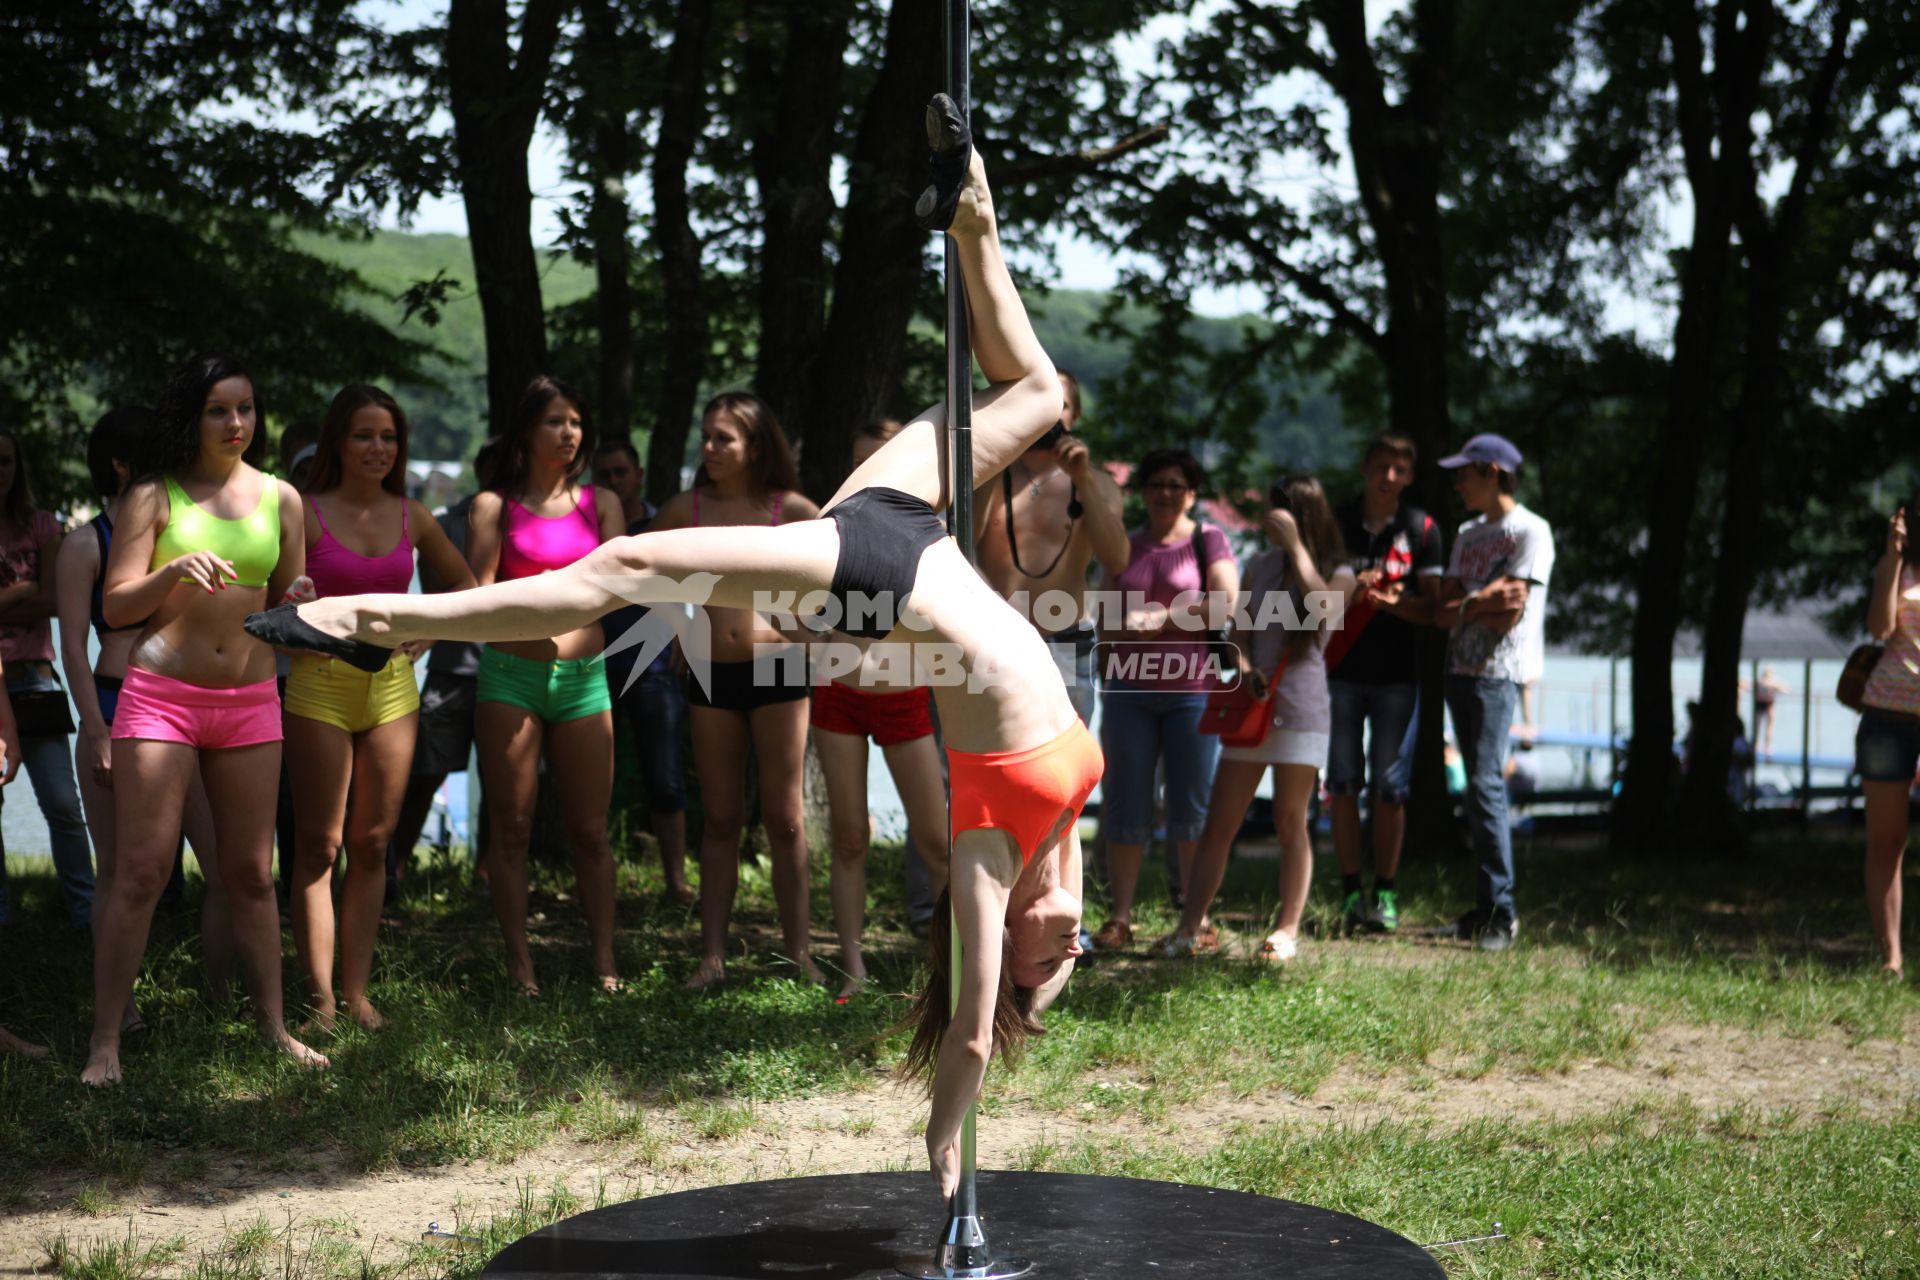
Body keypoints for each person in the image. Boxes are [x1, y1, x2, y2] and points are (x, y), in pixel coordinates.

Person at [249, 108, 1094, 1198]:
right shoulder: (1066, 818)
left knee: (631, 564)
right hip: (905, 525)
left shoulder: (986, 856)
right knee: (1039, 395)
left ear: (1011, 935)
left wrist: (944, 1139)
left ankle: (377, 622)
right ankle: (971, 208)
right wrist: (1051, 967)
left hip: (874, 578)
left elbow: (975, 1036)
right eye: (1064, 957)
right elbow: (1058, 931)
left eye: (1050, 959)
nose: (1068, 948)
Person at [87, 352, 328, 1085]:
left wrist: (300, 601)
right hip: (160, 695)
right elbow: (115, 608)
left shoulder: (282, 498)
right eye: (220, 410)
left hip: (251, 699)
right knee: (140, 873)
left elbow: (287, 604)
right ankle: (105, 1044)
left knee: (253, 874)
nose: (236, 424)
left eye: (246, 409)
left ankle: (276, 1030)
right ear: (192, 417)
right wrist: (170, 572)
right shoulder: (153, 498)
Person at [285, 386, 474, 1031]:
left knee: (371, 845)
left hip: (394, 689)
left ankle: (357, 995)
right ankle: (320, 1004)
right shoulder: (304, 512)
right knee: (319, 845)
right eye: (364, 435)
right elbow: (270, 602)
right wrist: (295, 604)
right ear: (339, 440)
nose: (377, 448)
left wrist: (434, 630)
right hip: (318, 687)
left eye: (389, 437)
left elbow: (466, 589)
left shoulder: (413, 515)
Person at [56, 408, 231, 1026]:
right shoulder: (85, 543)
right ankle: (120, 1010)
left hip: (192, 708)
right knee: (121, 872)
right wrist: (94, 728)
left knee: (224, 864)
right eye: (161, 458)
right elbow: (72, 646)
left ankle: (222, 998)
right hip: (113, 706)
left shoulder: (180, 531)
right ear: (124, 466)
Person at [649, 393, 820, 989]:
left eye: (725, 438)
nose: (711, 448)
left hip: (779, 670)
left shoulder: (790, 508)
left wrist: (807, 626)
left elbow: (840, 570)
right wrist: (675, 622)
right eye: (707, 436)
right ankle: (711, 957)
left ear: (755, 445)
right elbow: (638, 570)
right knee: (720, 818)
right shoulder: (685, 507)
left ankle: (798, 954)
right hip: (711, 670)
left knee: (785, 819)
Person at [464, 377, 625, 996]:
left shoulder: (601, 504)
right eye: (555, 421)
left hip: (586, 678)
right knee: (512, 826)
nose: (568, 433)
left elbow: (625, 585)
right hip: (511, 676)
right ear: (527, 430)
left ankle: (605, 962)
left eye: (576, 422)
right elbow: (476, 597)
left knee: (590, 829)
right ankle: (520, 964)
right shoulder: (492, 507)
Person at [1157, 476, 1359, 961]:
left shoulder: (1340, 571)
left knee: (1292, 822)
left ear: (1300, 513)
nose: (1269, 520)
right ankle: (1189, 927)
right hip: (1254, 706)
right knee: (1219, 823)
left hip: (1303, 708)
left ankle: (1287, 929)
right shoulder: (1261, 566)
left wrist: (1297, 546)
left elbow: (1324, 612)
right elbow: (1241, 634)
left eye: (1278, 512)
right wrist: (1244, 669)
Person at [812, 419, 950, 1001]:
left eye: (883, 460)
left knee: (939, 843)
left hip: (904, 699)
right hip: (838, 694)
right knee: (848, 838)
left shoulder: (933, 529)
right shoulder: (830, 524)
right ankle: (853, 968)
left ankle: (952, 965)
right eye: (862, 463)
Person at [1092, 448, 1239, 950]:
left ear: (1192, 493)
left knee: (1191, 810)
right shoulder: (1125, 545)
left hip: (1192, 692)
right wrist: (1114, 637)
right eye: (1156, 483)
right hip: (1128, 691)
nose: (1165, 493)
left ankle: (1194, 921)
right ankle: (1120, 919)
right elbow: (1102, 612)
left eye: (1176, 485)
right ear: (1144, 492)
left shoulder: (1209, 539)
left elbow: (1226, 604)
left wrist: (1163, 618)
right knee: (1125, 804)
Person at [1434, 433, 1554, 953]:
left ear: (1493, 472)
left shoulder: (1531, 531)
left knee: (1484, 784)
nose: (1458, 482)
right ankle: (1484, 909)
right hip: (1458, 669)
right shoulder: (1465, 535)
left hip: (1499, 674)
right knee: (1476, 788)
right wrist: (1476, 602)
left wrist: (1468, 603)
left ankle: (1502, 916)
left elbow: (1512, 610)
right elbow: (1443, 610)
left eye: (1465, 473)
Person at [1324, 433, 1443, 934]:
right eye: (1381, 467)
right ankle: (1352, 894)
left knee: (1391, 789)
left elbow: (1436, 610)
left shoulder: (1423, 529)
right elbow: (1312, 598)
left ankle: (1386, 893)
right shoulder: (1337, 524)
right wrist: (1350, 593)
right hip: (1339, 673)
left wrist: (1394, 602)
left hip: (1399, 677)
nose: (1388, 476)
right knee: (1344, 783)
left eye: (1399, 469)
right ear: (1364, 468)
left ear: (1409, 477)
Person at [973, 370, 1129, 725]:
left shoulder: (1099, 483)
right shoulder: (989, 474)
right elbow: (963, 541)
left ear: (1075, 416)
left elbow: (1117, 559)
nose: (1047, 413)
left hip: (1068, 642)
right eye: (1037, 402)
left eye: (1059, 405)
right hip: (995, 639)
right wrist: (999, 454)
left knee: (1065, 765)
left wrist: (1083, 480)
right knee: (986, 756)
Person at [390, 438, 500, 873]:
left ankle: (490, 871)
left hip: (505, 666)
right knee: (423, 772)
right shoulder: (448, 521)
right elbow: (436, 590)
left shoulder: (526, 523)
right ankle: (396, 866)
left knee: (503, 783)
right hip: (452, 666)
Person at [0, 427, 94, 929]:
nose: (0, 472)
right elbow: (38, 594)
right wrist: (21, 593)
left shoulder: (42, 526)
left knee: (62, 801)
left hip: (35, 680)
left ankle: (88, 914)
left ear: (19, 467)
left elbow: (57, 600)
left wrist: (34, 593)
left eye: (7, 461)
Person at [592, 437, 692, 904]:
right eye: (604, 475)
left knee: (665, 776)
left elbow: (696, 579)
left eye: (620, 473)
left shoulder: (662, 525)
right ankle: (591, 878)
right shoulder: (585, 527)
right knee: (587, 779)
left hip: (654, 665)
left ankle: (676, 881)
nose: (614, 482)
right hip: (590, 663)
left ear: (638, 476)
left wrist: (688, 628)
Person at [1858, 502, 1918, 979]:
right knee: (1886, 840)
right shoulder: (1896, 568)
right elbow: (1880, 628)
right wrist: (1892, 558)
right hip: (1887, 719)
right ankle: (1891, 959)